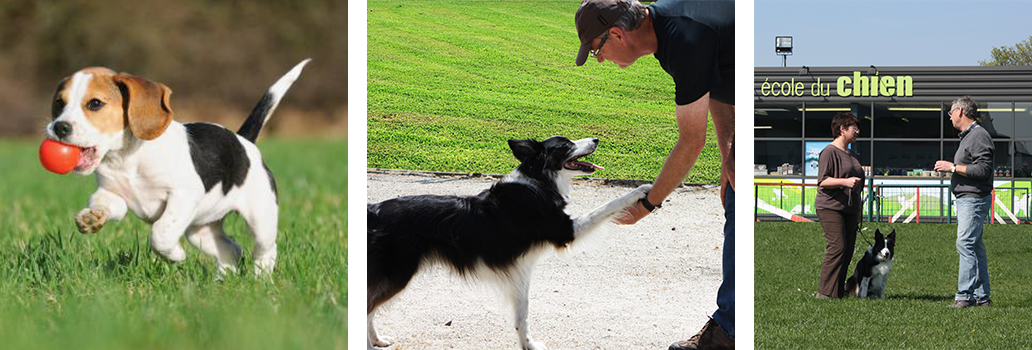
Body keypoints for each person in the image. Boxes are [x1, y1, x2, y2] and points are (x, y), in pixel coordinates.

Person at [573, 0, 734, 348]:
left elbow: (691, 141)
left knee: (739, 201)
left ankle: (730, 332)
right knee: (736, 192)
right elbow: (723, 80)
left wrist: (647, 204)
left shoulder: (685, 40)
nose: (599, 59)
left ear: (617, 33)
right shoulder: (667, 27)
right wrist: (728, 158)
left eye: (597, 49)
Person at [933, 96, 994, 308]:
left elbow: (983, 170)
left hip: (973, 198)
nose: (949, 117)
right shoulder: (970, 136)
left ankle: (964, 296)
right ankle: (981, 297)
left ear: (960, 111)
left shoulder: (978, 136)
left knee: (965, 243)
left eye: (951, 112)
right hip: (968, 198)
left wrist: (952, 168)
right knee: (975, 246)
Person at [814, 112, 865, 299]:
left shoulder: (851, 153)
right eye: (854, 128)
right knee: (838, 247)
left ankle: (838, 292)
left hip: (850, 208)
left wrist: (858, 210)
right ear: (842, 129)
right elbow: (822, 181)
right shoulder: (829, 152)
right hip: (830, 207)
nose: (858, 131)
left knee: (848, 249)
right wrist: (845, 182)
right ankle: (825, 293)